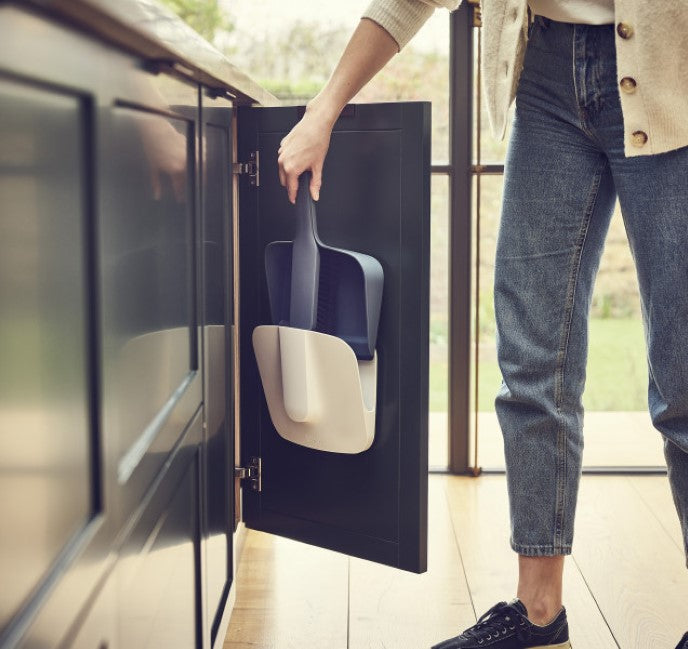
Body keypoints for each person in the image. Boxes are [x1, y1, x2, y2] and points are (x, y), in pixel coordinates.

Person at [276, 1, 688, 647]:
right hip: (548, 73)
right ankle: (538, 613)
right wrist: (325, 105)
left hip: (673, 69)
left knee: (686, 382)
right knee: (531, 361)